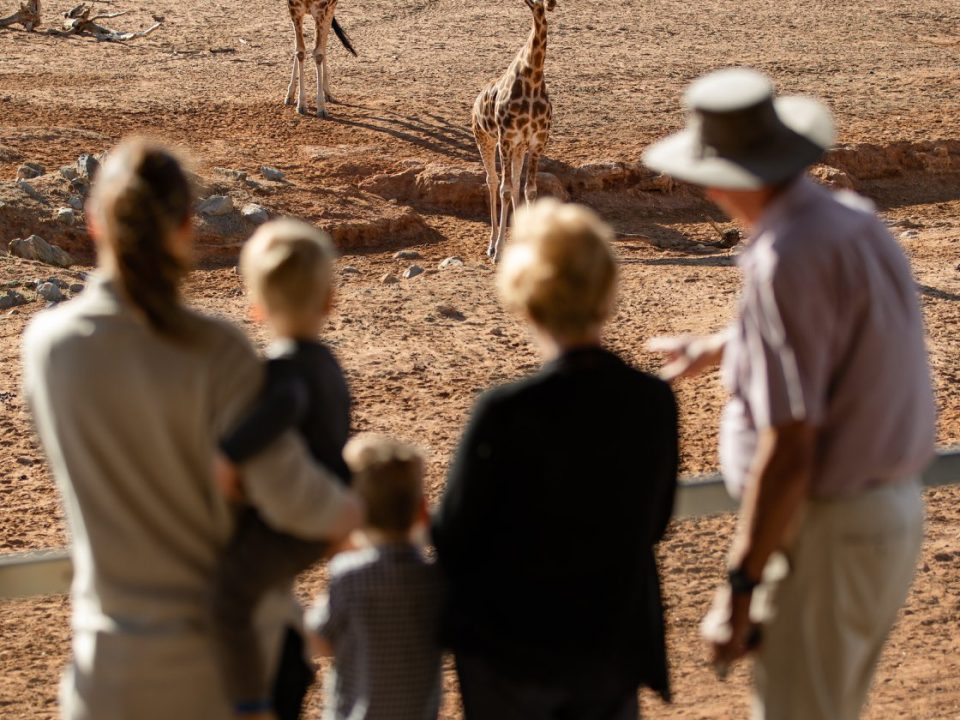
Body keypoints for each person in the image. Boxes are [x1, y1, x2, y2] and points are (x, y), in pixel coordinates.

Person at [20, 138, 363, 720]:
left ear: (95, 223)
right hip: (222, 677)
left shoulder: (47, 347)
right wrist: (349, 513)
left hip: (109, 672)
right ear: (185, 226)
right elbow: (291, 495)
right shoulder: (218, 350)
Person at [643, 68, 937, 720]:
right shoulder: (850, 220)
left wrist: (739, 587)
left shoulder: (786, 257)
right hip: (883, 519)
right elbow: (843, 331)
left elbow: (791, 443)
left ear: (723, 175)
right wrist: (724, 345)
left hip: (828, 534)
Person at [432, 199, 678, 720]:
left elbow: (454, 536)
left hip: (513, 654)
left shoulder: (506, 410)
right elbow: (654, 524)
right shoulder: (652, 401)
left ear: (528, 299)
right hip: (609, 645)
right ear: (605, 290)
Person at [211, 219, 353, 719]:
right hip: (335, 507)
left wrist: (228, 455)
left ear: (256, 307)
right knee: (271, 592)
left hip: (303, 520)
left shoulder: (283, 370)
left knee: (231, 594)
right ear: (330, 301)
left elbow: (285, 407)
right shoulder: (331, 365)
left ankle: (251, 702)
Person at [306, 434, 444, 720]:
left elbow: (317, 640)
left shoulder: (349, 576)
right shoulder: (436, 580)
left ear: (353, 510)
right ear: (422, 511)